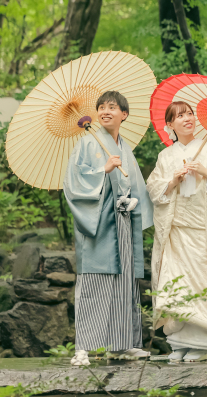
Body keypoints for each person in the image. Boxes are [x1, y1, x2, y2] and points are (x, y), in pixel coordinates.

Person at [64, 91, 154, 367]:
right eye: (101, 107)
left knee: (124, 281)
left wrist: (133, 201)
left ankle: (122, 345)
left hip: (123, 221)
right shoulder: (87, 142)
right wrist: (102, 170)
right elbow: (72, 182)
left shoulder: (124, 146)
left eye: (112, 107)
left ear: (123, 115)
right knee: (95, 282)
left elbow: (135, 184)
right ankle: (83, 348)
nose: (105, 111)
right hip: (99, 223)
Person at [146, 101, 207, 362]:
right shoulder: (165, 156)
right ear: (170, 126)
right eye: (180, 116)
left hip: (202, 230)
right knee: (175, 283)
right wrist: (172, 180)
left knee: (202, 282)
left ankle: (201, 344)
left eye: (189, 114)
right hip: (176, 231)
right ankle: (179, 343)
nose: (187, 119)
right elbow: (153, 187)